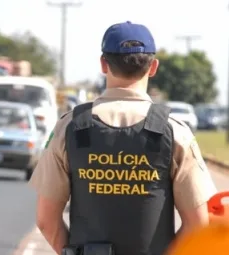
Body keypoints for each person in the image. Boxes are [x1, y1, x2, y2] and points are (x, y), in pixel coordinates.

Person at [29, 21, 217, 255]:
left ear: (103, 64)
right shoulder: (175, 132)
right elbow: (198, 223)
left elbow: (46, 220)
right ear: (153, 67)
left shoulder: (69, 128)